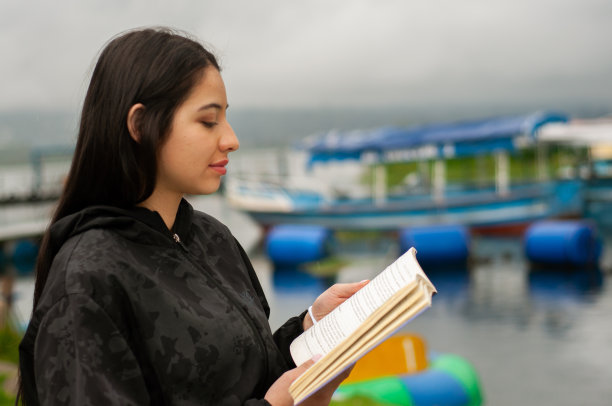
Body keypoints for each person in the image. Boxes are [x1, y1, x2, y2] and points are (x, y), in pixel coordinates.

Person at [17, 27, 367, 405]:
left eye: (225, 119)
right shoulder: (87, 277)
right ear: (139, 125)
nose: (231, 139)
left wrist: (312, 326)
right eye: (208, 121)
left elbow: (246, 374)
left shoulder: (212, 238)